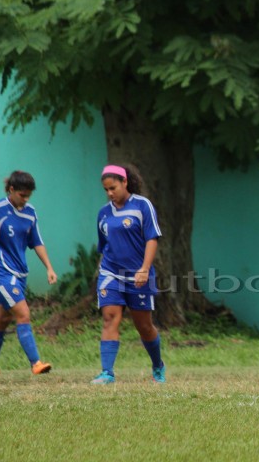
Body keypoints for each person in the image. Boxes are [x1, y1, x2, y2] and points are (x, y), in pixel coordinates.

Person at [91, 164, 165, 384]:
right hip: (111, 272)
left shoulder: (143, 206)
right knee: (110, 317)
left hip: (138, 275)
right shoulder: (103, 213)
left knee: (144, 326)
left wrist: (144, 269)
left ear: (125, 182)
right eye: (106, 190)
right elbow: (103, 246)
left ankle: (158, 365)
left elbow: (152, 238)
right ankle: (107, 373)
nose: (110, 193)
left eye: (113, 187)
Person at [0, 171, 56, 376]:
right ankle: (36, 363)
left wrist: (49, 267)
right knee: (23, 313)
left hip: (20, 273)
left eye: (28, 195)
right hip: (1, 273)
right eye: (22, 195)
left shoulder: (30, 212)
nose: (25, 199)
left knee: (1, 320)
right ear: (11, 190)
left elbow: (36, 242)